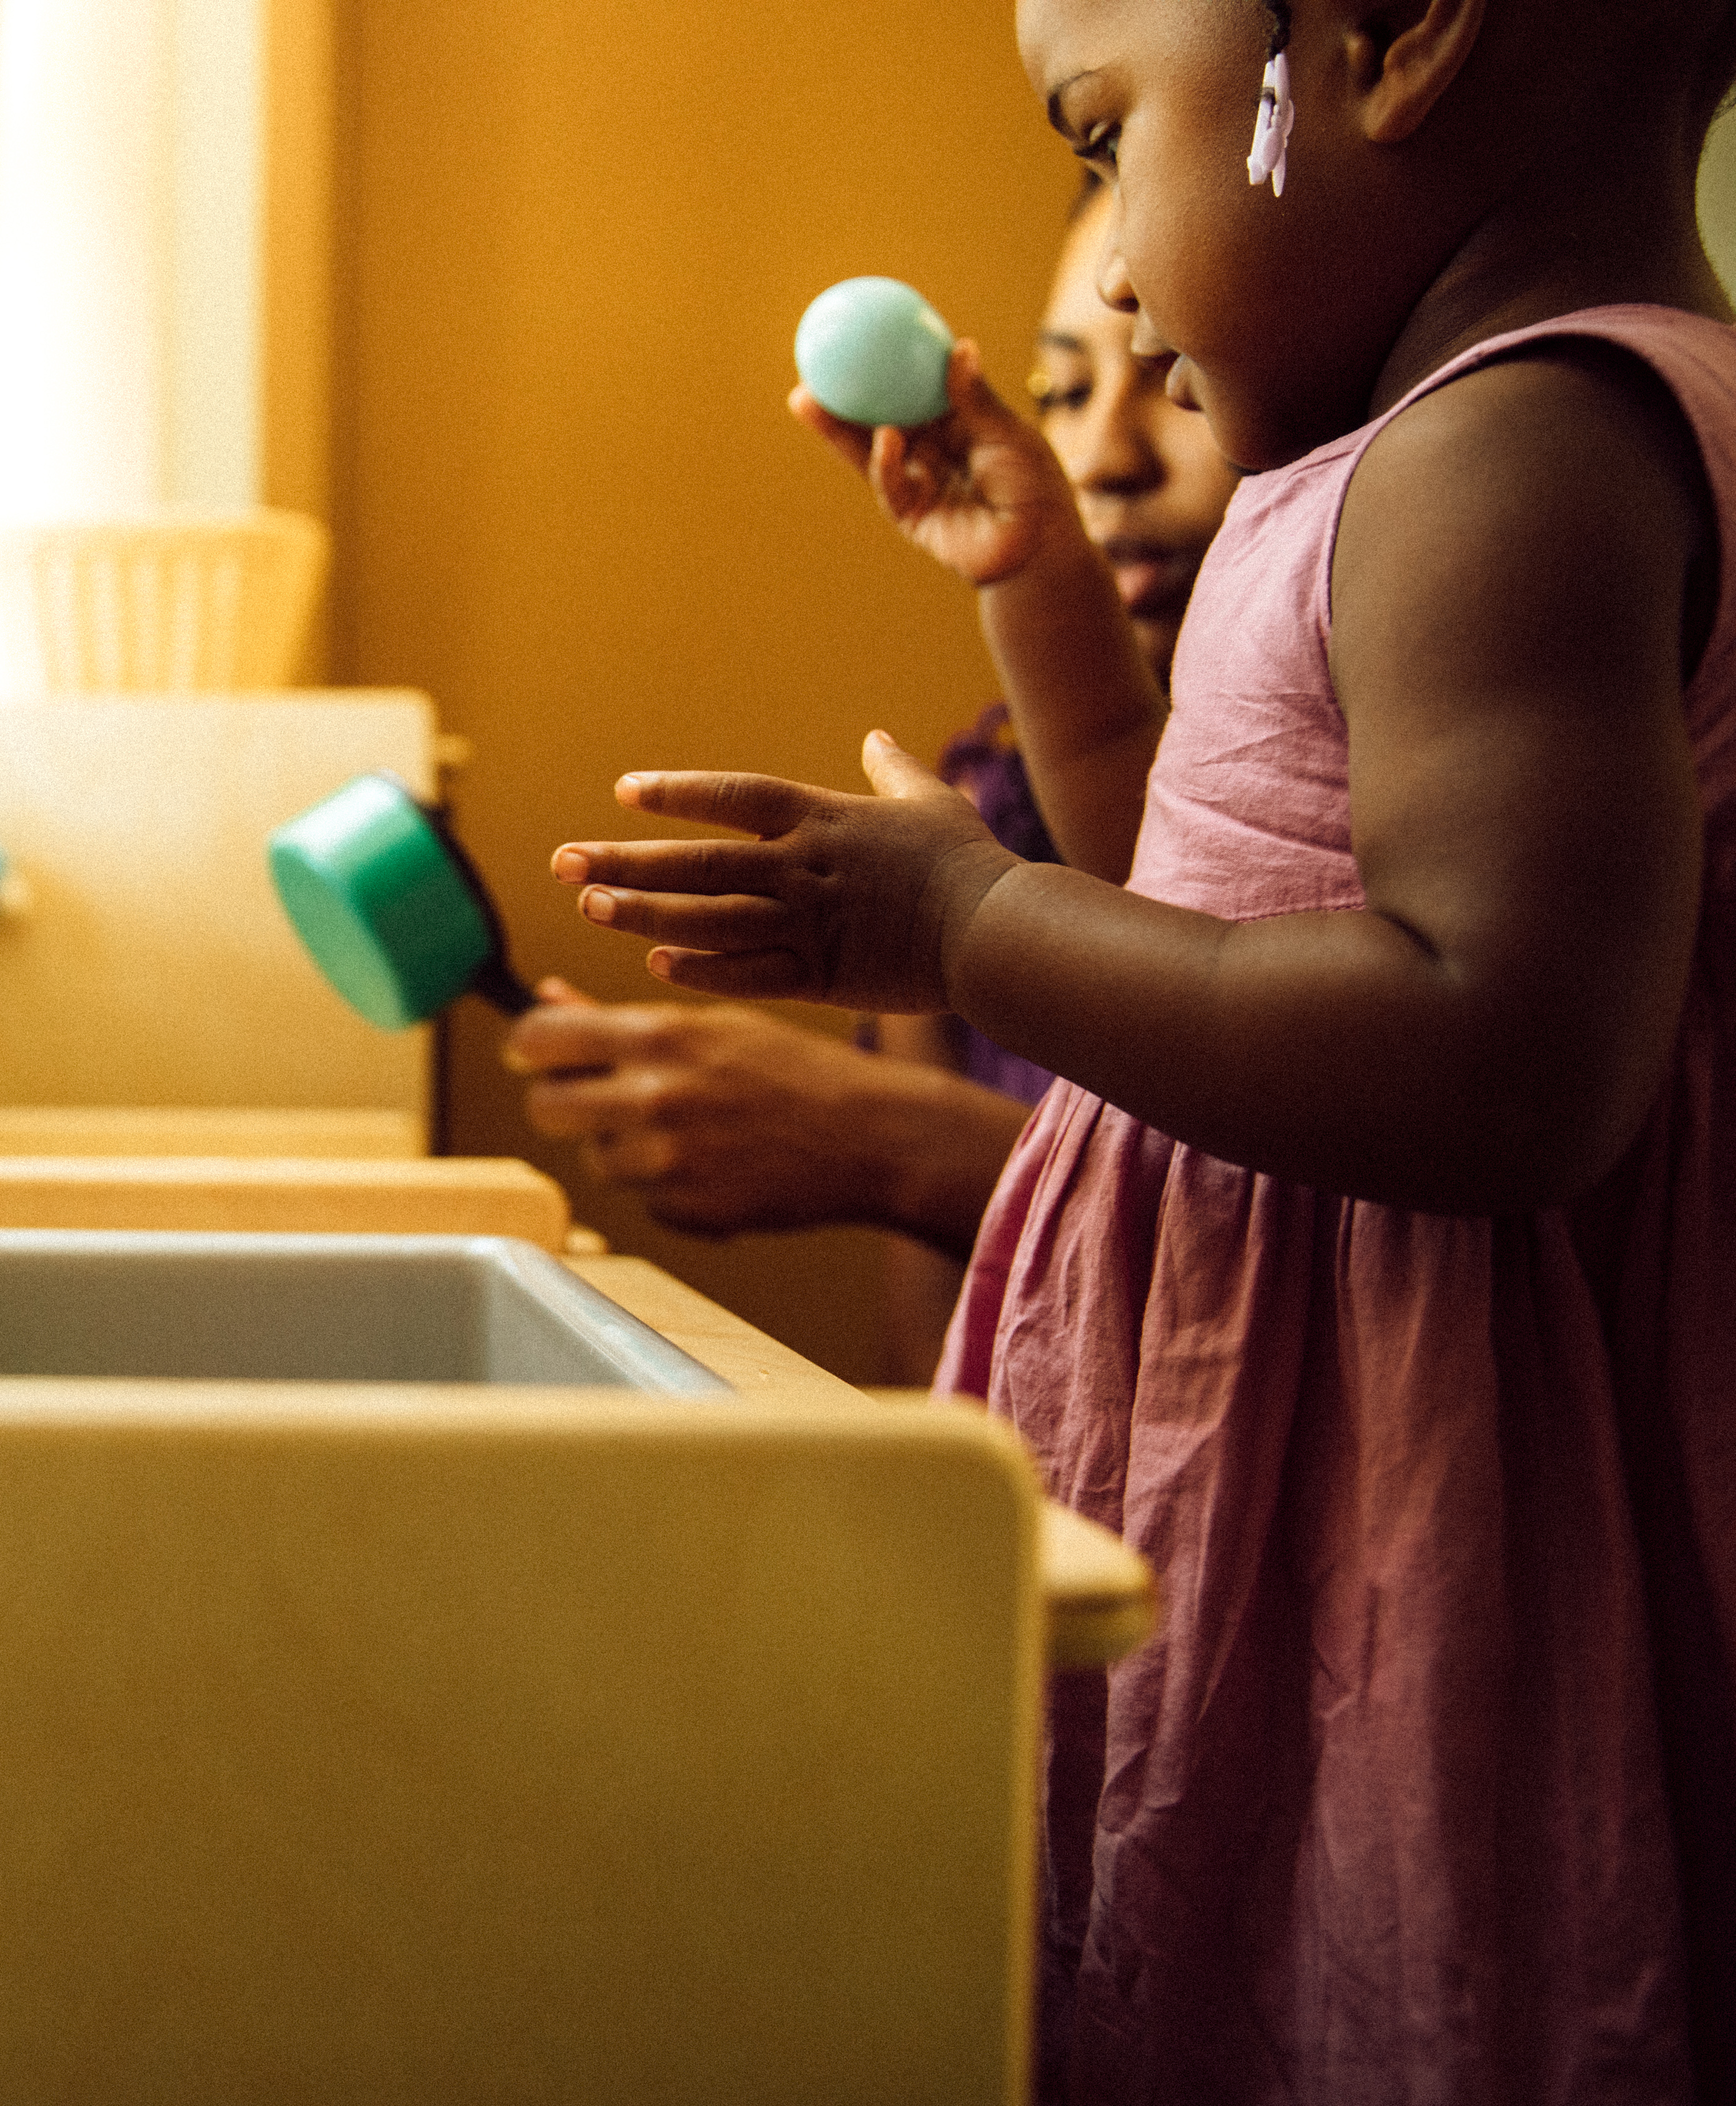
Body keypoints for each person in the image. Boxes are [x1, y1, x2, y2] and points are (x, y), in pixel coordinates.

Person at [557, 0, 1736, 2093]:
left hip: (1425, 1506)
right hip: (1331, 1468)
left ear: (1394, 45)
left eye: (1103, 137)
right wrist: (1050, 618)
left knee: (1370, 1974)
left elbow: (1498, 1054)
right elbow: (1228, 941)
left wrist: (963, 917)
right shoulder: (1434, 456)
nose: (1111, 248)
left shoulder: (1518, 454)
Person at [507, 173, 1239, 1383]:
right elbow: (952, 1377)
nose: (1103, 454)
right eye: (1062, 388)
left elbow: (1331, 1228)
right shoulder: (978, 801)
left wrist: (900, 1147)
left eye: (1172, 376)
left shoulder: (1369, 812)